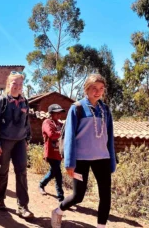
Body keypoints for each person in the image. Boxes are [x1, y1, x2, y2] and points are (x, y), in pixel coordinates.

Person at [51, 74, 117, 228]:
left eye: (101, 88)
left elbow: (110, 137)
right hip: (81, 160)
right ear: (86, 89)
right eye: (94, 88)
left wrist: (112, 160)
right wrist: (69, 163)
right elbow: (69, 138)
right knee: (78, 196)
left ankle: (101, 226)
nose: (97, 92)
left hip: (102, 158)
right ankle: (58, 211)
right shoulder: (77, 108)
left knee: (106, 195)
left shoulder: (105, 110)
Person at [0, 71, 34, 219]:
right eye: (15, 83)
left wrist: (27, 139)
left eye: (20, 84)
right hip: (4, 141)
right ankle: (0, 199)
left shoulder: (24, 102)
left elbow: (27, 123)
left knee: (22, 172)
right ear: (9, 84)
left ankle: (23, 206)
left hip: (20, 141)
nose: (18, 86)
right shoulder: (0, 102)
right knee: (3, 170)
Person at [39, 104, 65, 202]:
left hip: (58, 153)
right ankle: (61, 197)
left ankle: (41, 184)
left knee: (52, 172)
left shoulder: (60, 124)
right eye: (56, 113)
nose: (59, 115)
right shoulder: (47, 122)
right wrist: (63, 133)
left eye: (60, 113)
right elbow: (52, 135)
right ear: (51, 113)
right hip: (50, 153)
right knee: (58, 174)